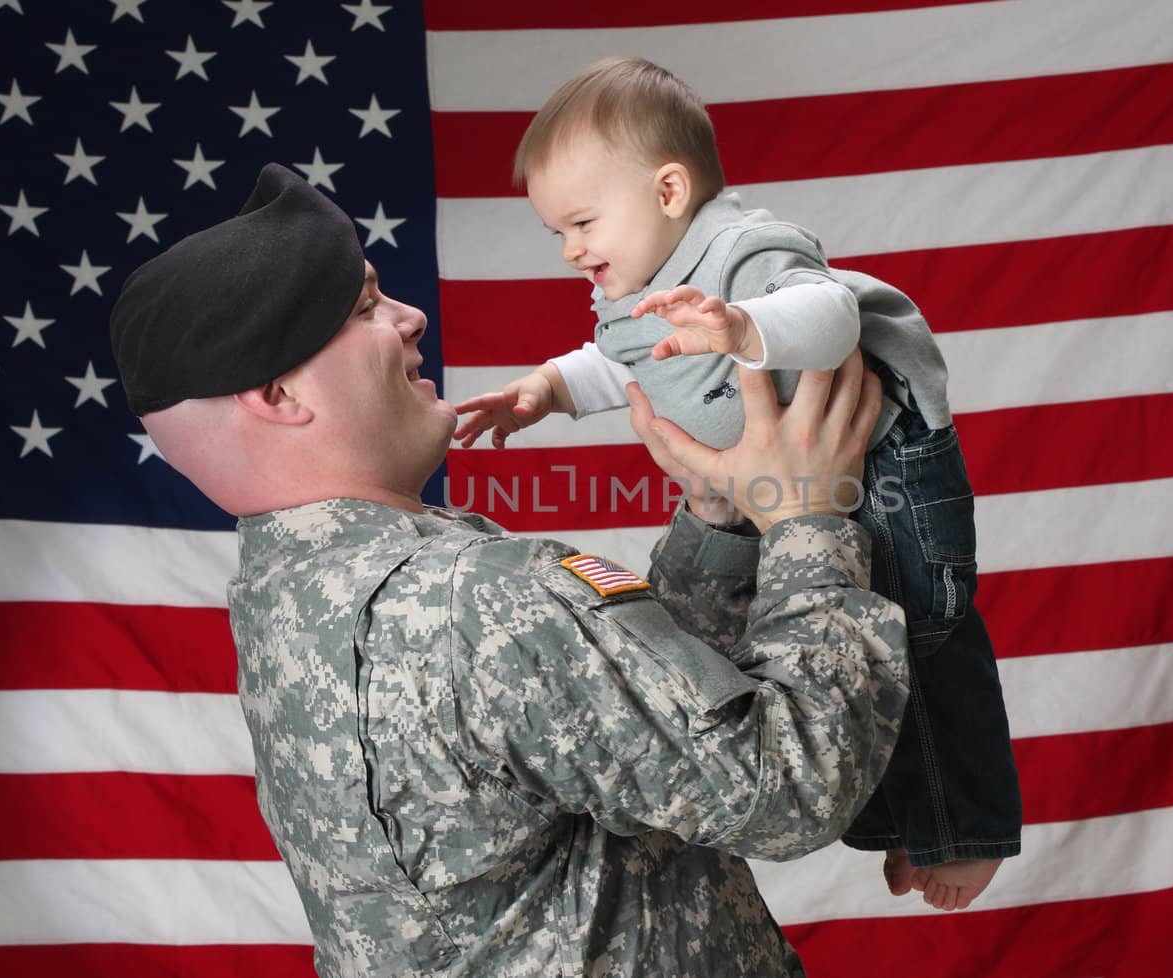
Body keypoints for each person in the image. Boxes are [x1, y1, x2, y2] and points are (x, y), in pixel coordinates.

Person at [108, 162, 910, 978]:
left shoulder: (291, 591)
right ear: (278, 395)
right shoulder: (472, 598)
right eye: (364, 309)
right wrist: (808, 519)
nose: (411, 316)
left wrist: (719, 516)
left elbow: (625, 736)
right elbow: (790, 787)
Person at [454, 55, 1023, 910]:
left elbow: (829, 315)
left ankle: (968, 831)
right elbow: (615, 363)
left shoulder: (741, 251)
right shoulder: (640, 293)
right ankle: (913, 822)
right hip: (787, 499)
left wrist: (743, 325)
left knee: (922, 634)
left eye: (581, 223)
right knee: (835, 655)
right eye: (556, 234)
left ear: (670, 191)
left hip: (889, 466)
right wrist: (545, 391)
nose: (571, 250)